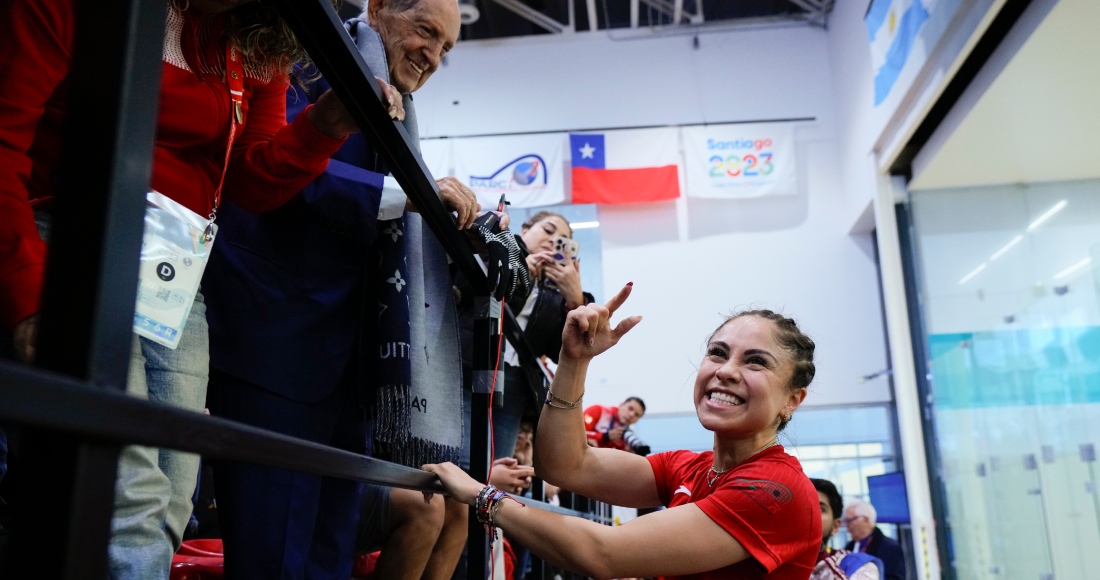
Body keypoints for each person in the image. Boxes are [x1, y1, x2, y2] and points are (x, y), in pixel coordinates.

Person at [0, 0, 363, 577]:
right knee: (128, 495)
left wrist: (323, 127)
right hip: (69, 248)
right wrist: (26, 291)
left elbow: (250, 182)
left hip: (174, 272)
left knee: (172, 498)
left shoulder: (251, 37)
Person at [200, 0, 481, 578]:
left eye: (446, 47)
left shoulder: (402, 112)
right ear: (378, 9)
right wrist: (410, 196)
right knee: (271, 556)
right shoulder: (306, 58)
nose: (432, 55)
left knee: (330, 554)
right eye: (425, 31)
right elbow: (270, 162)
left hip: (352, 366)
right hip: (274, 346)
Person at [427, 286, 822, 579]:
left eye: (756, 362)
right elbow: (566, 466)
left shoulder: (777, 490)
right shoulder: (691, 468)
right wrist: (573, 361)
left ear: (792, 400)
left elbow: (603, 553)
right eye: (717, 353)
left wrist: (482, 496)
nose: (726, 371)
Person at [457, 210, 594, 464]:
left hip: (516, 383)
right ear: (524, 230)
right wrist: (521, 276)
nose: (553, 240)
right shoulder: (497, 247)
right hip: (469, 362)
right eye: (548, 230)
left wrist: (575, 300)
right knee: (462, 458)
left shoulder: (557, 292)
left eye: (563, 240)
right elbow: (461, 289)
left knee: (498, 464)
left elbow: (558, 350)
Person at [811, 479, 882, 580]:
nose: (808, 513)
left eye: (820, 509)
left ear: (835, 526)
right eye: (800, 507)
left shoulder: (859, 566)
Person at [843, 499, 905, 580]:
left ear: (866, 520)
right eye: (845, 521)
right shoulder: (848, 547)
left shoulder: (890, 547)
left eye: (849, 521)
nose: (846, 525)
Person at [583, 397, 647, 453]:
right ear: (621, 405)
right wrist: (605, 436)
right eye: (630, 408)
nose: (631, 415)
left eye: (637, 415)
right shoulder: (599, 410)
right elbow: (578, 432)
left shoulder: (627, 437)